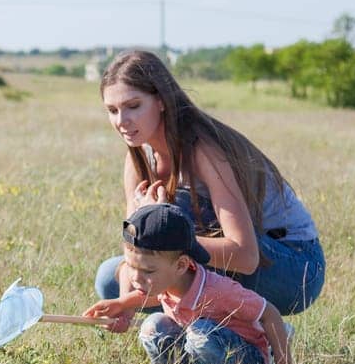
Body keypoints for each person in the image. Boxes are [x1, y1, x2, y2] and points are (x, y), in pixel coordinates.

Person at [92, 49, 324, 315]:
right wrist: (125, 304)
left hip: (294, 267)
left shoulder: (203, 150)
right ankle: (208, 332)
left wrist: (158, 226)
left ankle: (258, 326)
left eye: (133, 106)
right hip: (228, 262)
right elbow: (135, 250)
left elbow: (246, 257)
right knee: (110, 277)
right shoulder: (138, 158)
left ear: (161, 101)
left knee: (173, 212)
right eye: (112, 110)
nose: (122, 121)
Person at [87, 204, 292, 364]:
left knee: (199, 333)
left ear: (181, 265)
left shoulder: (218, 291)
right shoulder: (168, 283)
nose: (136, 278)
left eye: (148, 271)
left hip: (246, 360)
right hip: (201, 352)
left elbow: (269, 314)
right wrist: (121, 303)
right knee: (153, 326)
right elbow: (153, 296)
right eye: (131, 266)